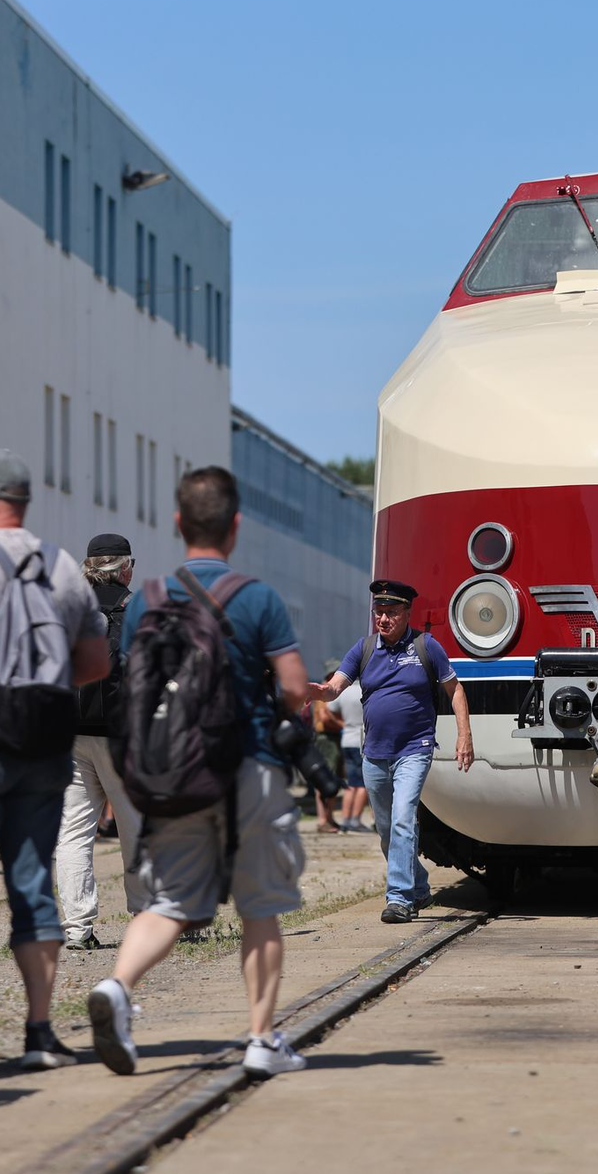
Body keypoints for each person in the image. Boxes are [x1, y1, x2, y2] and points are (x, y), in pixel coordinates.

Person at [88, 466, 310, 1078]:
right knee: (260, 907)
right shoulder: (258, 597)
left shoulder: (148, 602)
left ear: (179, 523)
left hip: (176, 775)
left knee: (169, 902)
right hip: (250, 772)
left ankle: (116, 987)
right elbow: (294, 687)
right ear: (235, 526)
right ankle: (262, 1040)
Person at [0, 450, 109, 1069]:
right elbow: (96, 665)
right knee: (31, 881)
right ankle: (40, 1032)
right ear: (25, 500)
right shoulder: (60, 566)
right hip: (41, 741)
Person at [307, 579, 474, 923]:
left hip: (416, 748)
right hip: (374, 754)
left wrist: (464, 735)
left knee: (402, 820)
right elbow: (335, 687)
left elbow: (455, 690)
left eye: (390, 612)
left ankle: (399, 898)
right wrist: (319, 692)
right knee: (387, 831)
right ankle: (420, 885)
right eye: (378, 612)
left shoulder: (426, 646)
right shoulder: (364, 649)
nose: (382, 619)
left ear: (406, 613)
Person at [56, 533, 145, 950]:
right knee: (135, 827)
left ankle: (77, 928)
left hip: (70, 735)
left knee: (73, 832)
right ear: (125, 567)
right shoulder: (139, 609)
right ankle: (145, 919)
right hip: (122, 737)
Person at [329, 671, 371, 833]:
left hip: (346, 738)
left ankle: (345, 820)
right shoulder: (365, 689)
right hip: (362, 737)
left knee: (351, 783)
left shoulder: (344, 691)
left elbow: (329, 709)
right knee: (362, 784)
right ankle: (355, 820)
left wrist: (341, 723)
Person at [311, 660, 344, 835]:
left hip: (331, 738)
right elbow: (324, 718)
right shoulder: (326, 690)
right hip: (327, 739)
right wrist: (342, 724)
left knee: (332, 780)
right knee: (325, 779)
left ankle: (328, 817)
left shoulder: (326, 690)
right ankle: (323, 819)